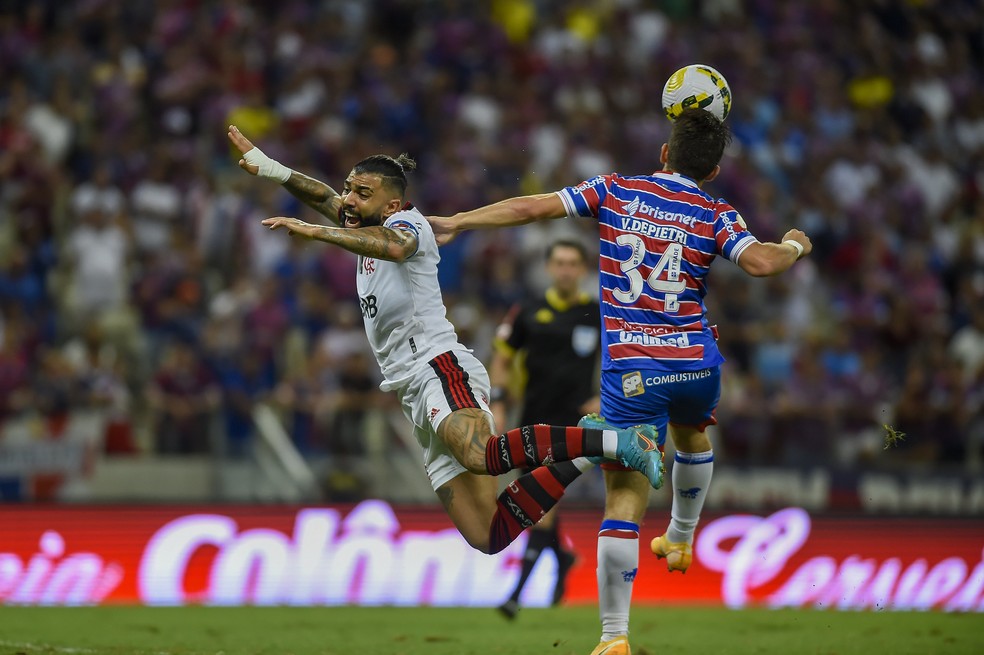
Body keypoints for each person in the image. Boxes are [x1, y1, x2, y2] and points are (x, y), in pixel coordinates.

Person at [429, 108, 812, 655]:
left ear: (663, 153)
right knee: (692, 434)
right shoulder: (717, 211)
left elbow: (531, 206)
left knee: (624, 497)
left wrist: (461, 220)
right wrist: (796, 244)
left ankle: (613, 636)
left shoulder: (615, 190)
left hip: (634, 372)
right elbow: (762, 263)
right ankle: (681, 535)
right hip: (698, 365)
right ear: (713, 171)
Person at [226, 125, 664, 558]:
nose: (349, 200)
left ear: (392, 202)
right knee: (488, 534)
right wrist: (271, 169)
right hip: (409, 387)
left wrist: (316, 233)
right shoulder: (364, 219)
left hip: (439, 365)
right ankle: (587, 451)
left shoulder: (406, 223)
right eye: (349, 189)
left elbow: (395, 248)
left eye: (361, 192)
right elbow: (324, 197)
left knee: (481, 455)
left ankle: (619, 442)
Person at [492, 239, 600, 619]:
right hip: (531, 423)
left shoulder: (596, 314)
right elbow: (502, 359)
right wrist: (498, 401)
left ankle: (515, 596)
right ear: (549, 268)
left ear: (583, 269)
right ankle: (563, 558)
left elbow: (623, 362)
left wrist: (604, 398)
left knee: (542, 506)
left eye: (573, 263)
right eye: (560, 263)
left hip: (574, 429)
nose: (566, 270)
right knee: (540, 504)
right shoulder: (528, 311)